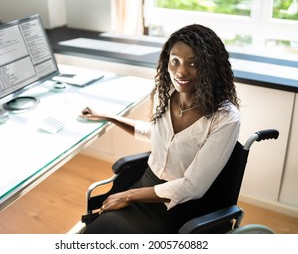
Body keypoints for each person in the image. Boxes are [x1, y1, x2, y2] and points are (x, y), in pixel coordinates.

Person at [79, 24, 240, 233]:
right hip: (145, 185)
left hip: (179, 205)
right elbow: (157, 136)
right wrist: (109, 116)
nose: (181, 71)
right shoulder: (167, 95)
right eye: (175, 61)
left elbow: (192, 187)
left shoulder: (225, 118)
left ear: (211, 66)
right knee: (93, 233)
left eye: (194, 63)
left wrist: (127, 196)